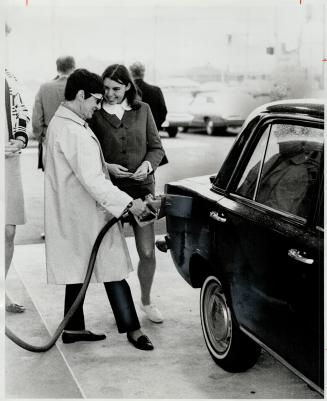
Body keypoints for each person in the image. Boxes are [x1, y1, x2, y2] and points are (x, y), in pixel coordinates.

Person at [44, 68, 153, 350]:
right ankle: (133, 329)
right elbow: (92, 179)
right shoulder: (73, 130)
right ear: (80, 96)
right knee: (112, 266)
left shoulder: (65, 122)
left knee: (78, 268)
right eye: (94, 99)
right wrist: (130, 203)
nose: (98, 105)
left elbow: (84, 170)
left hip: (77, 211)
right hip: (85, 212)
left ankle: (73, 328)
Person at [89, 64, 165, 323]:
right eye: (106, 88)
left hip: (143, 190)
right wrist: (107, 167)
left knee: (147, 252)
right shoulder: (95, 114)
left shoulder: (143, 110)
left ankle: (146, 301)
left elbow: (156, 147)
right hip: (110, 193)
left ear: (128, 87)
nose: (110, 94)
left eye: (116, 89)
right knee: (111, 253)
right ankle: (121, 308)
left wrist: (148, 165)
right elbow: (89, 154)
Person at [5, 69, 30, 313]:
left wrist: (20, 139)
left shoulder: (10, 76)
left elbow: (22, 112)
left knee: (8, 232)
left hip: (8, 161)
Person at [32, 55, 75, 171]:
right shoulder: (78, 88)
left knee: (52, 182)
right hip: (74, 140)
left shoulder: (44, 88)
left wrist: (41, 138)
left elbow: (36, 120)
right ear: (73, 67)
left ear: (57, 68)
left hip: (49, 139)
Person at [129, 61, 167, 131]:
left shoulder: (127, 91)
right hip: (152, 131)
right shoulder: (156, 90)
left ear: (130, 73)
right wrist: (155, 126)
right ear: (143, 73)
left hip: (131, 133)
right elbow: (163, 112)